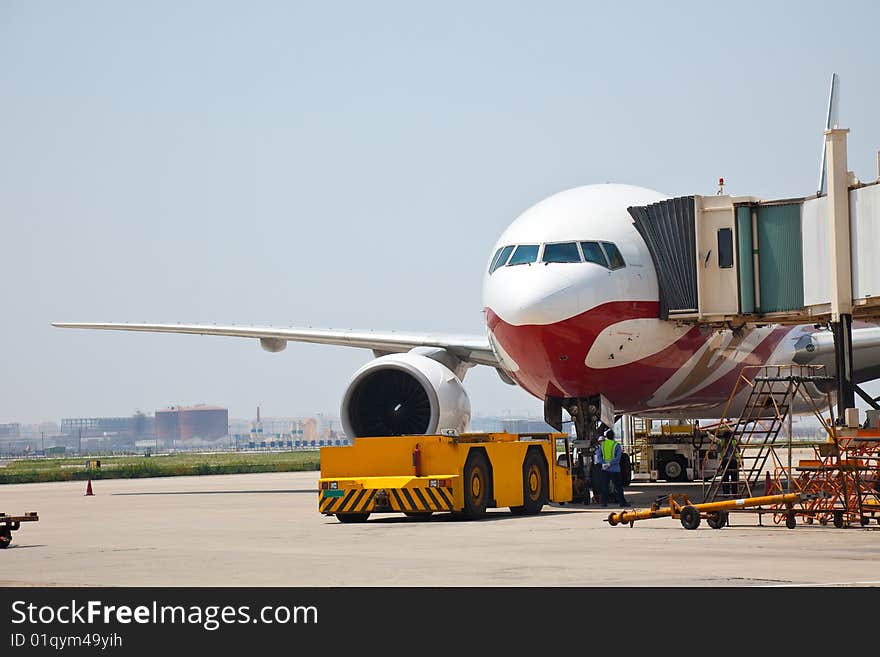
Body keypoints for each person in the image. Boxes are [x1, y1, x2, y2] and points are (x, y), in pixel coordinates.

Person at [598, 430, 628, 507]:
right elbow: (618, 457)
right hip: (614, 469)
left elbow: (599, 456)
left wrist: (603, 463)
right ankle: (622, 502)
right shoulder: (616, 445)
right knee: (618, 486)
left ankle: (603, 503)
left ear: (606, 436)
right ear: (613, 436)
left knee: (604, 486)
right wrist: (610, 463)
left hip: (605, 469)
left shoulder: (603, 445)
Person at [720, 430, 739, 496]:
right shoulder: (734, 441)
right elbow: (738, 450)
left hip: (727, 460)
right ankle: (733, 493)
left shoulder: (723, 441)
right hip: (731, 460)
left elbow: (718, 450)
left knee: (727, 478)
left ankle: (727, 493)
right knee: (732, 478)